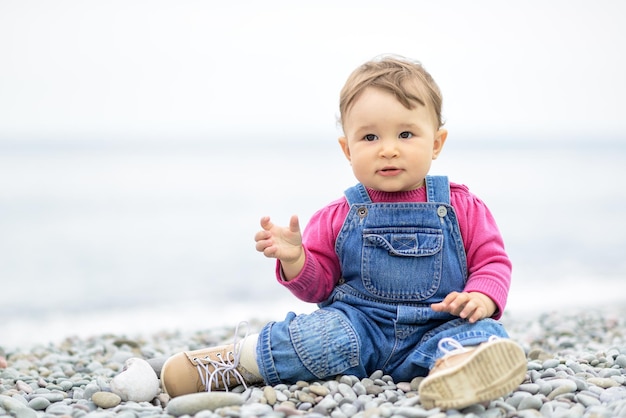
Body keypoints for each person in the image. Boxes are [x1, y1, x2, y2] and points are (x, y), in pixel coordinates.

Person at [159, 55, 527, 410]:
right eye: (369, 138)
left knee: (483, 337)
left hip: (437, 329)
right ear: (346, 149)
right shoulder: (338, 216)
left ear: (436, 143)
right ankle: (238, 361)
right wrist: (296, 260)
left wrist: (482, 296)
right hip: (357, 330)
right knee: (316, 335)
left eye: (405, 134)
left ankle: (454, 370)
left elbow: (492, 262)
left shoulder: (462, 207)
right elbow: (318, 288)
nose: (388, 149)